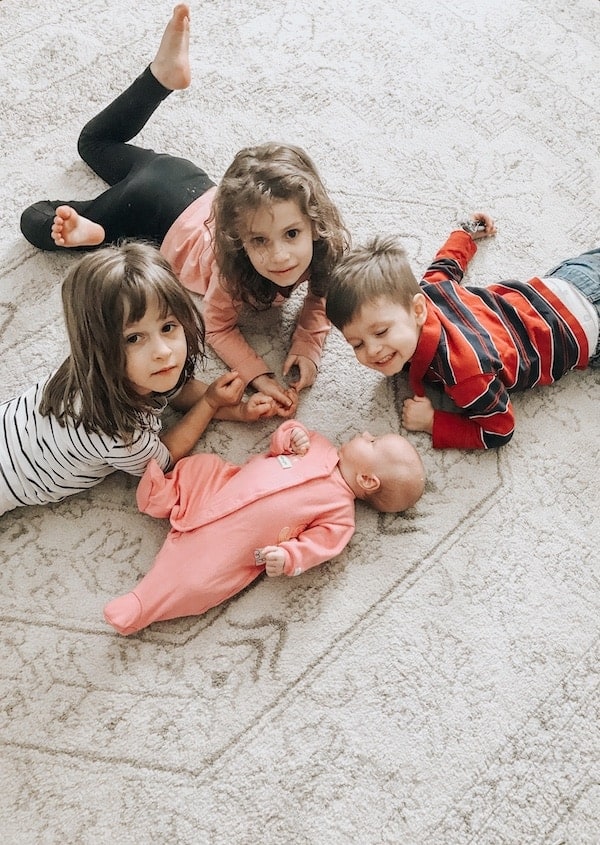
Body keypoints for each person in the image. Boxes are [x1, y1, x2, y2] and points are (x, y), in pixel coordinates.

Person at [19, 4, 350, 417]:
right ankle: (99, 235)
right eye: (259, 241)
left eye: (291, 235)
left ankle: (161, 77)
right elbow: (217, 326)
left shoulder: (323, 248)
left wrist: (307, 345)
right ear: (237, 238)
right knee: (36, 220)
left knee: (93, 143)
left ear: (314, 222)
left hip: (181, 176)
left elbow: (319, 299)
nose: (280, 256)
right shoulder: (232, 269)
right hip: (145, 212)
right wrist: (258, 375)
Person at [0, 241, 278, 516]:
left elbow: (174, 389)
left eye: (168, 327)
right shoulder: (118, 431)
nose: (162, 352)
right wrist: (209, 403)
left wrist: (239, 409)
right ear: (98, 346)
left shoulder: (100, 363)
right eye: (134, 338)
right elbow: (163, 458)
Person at [103, 419, 425, 635]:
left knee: (201, 581)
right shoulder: (318, 445)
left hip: (234, 543)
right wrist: (291, 435)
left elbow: (317, 547)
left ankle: (142, 604)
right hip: (225, 487)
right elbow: (279, 444)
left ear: (368, 480)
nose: (365, 434)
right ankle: (162, 494)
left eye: (373, 441)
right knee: (203, 469)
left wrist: (289, 558)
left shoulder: (340, 515)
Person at [325, 214, 599, 449]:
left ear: (418, 310)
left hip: (582, 331)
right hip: (564, 282)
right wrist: (465, 231)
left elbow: (500, 430)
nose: (371, 350)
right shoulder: (430, 292)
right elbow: (446, 266)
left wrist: (434, 422)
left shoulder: (465, 372)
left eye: (381, 332)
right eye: (356, 344)